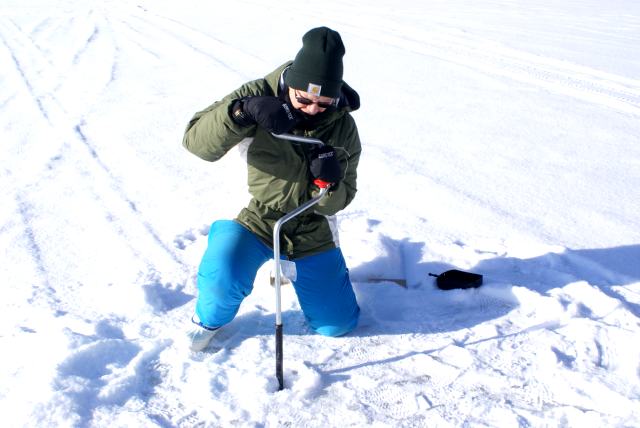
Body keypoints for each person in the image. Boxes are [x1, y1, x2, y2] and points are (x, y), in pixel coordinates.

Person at [182, 27, 361, 351]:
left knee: (337, 324)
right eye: (304, 99)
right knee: (223, 279)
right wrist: (240, 112)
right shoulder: (258, 93)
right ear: (291, 83)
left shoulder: (343, 125)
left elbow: (339, 200)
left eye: (324, 103)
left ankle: (326, 283)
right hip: (255, 216)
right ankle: (208, 313)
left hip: (311, 222)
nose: (312, 109)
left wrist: (328, 184)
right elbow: (196, 143)